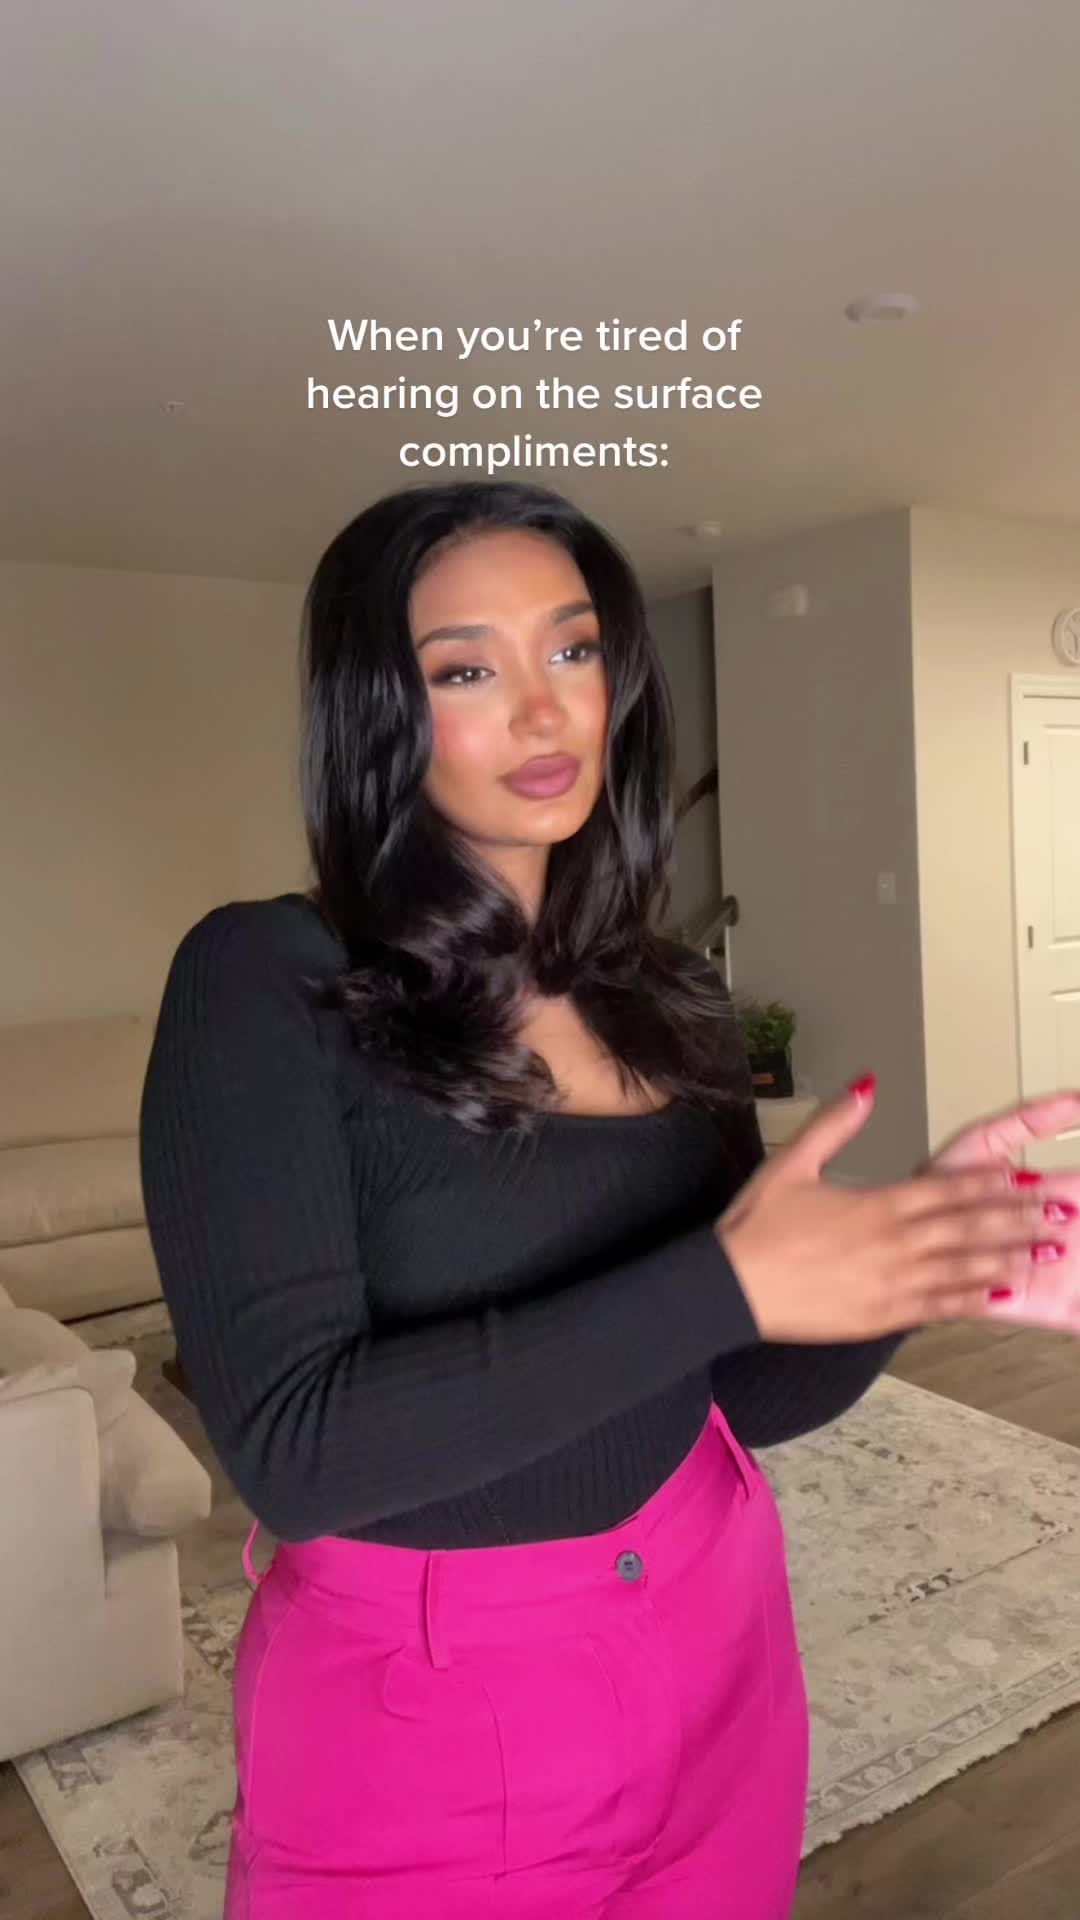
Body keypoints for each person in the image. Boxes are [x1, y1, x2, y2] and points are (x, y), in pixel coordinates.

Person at [138, 480, 1080, 1920]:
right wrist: (726, 1278)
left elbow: (737, 1390)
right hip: (426, 1726)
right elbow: (295, 1451)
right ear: (376, 712)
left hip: (722, 1639)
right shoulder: (265, 982)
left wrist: (923, 1256)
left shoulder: (674, 996)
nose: (545, 708)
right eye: (467, 670)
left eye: (572, 649)